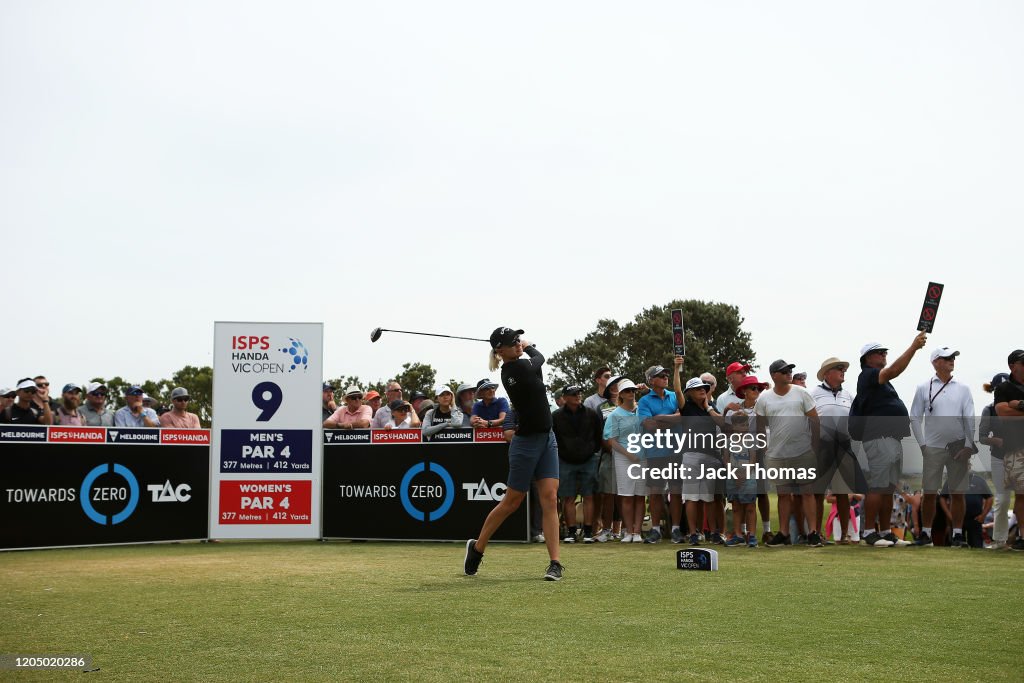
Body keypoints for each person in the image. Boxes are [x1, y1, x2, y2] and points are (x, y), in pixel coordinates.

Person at [465, 327, 563, 581]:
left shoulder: (523, 366)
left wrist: (526, 346)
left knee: (550, 498)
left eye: (518, 340)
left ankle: (555, 563)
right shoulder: (512, 371)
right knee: (512, 502)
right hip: (526, 443)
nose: (518, 344)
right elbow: (540, 359)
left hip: (547, 438)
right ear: (500, 351)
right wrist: (530, 347)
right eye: (512, 343)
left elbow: (537, 367)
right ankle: (477, 548)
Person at [851, 333, 927, 547]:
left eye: (885, 351)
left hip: (891, 438)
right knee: (878, 486)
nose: (884, 354)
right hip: (878, 437)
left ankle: (885, 532)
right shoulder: (867, 375)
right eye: (879, 352)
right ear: (867, 358)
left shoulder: (878, 379)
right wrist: (913, 347)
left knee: (888, 487)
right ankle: (867, 533)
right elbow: (893, 371)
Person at [909, 347, 976, 547]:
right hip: (933, 448)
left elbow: (969, 418)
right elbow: (914, 416)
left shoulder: (963, 388)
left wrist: (968, 446)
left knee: (958, 492)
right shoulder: (923, 387)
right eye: (947, 358)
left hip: (958, 448)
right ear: (935, 362)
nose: (951, 361)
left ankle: (957, 534)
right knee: (929, 492)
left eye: (952, 358)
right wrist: (922, 445)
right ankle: (926, 534)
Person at [756, 359, 822, 548]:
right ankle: (784, 533)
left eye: (789, 371)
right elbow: (760, 427)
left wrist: (814, 446)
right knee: (783, 494)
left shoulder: (802, 393)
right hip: (777, 455)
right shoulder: (764, 398)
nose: (788, 374)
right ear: (774, 375)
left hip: (803, 452)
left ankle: (813, 533)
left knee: (807, 492)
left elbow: (815, 421)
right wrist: (764, 449)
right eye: (784, 372)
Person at [809, 357, 859, 544]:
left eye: (843, 369)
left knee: (842, 491)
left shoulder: (848, 395)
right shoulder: (814, 393)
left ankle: (844, 534)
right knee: (818, 491)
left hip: (844, 445)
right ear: (828, 373)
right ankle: (816, 533)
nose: (843, 371)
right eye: (839, 369)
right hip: (822, 446)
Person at [551, 385, 603, 543]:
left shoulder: (591, 414)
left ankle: (588, 532)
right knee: (568, 497)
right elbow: (554, 438)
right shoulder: (556, 416)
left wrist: (592, 451)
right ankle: (571, 532)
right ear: (565, 397)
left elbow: (598, 435)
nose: (577, 396)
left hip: (588, 460)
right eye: (573, 394)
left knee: (588, 495)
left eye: (579, 393)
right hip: (565, 461)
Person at [723, 374, 768, 547]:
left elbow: (753, 458)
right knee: (735, 505)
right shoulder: (736, 410)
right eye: (753, 388)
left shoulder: (761, 409)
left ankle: (753, 534)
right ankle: (738, 534)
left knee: (751, 504)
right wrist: (734, 473)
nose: (757, 391)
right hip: (733, 475)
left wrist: (745, 472)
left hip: (749, 473)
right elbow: (726, 458)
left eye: (759, 388)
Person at [637, 363, 679, 543]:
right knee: (655, 491)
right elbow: (649, 426)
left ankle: (676, 529)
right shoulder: (645, 401)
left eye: (666, 375)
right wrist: (671, 420)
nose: (665, 377)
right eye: (661, 375)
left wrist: (660, 418)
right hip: (655, 452)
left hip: (676, 450)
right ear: (651, 380)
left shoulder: (675, 396)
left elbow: (682, 417)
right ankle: (655, 529)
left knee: (676, 491)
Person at [603, 378, 646, 543]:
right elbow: (611, 440)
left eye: (633, 391)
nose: (631, 393)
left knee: (640, 495)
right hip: (623, 457)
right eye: (627, 391)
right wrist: (629, 455)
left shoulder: (642, 410)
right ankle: (628, 531)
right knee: (627, 495)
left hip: (643, 457)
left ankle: (637, 531)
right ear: (620, 394)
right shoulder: (615, 414)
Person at [993, 349, 1024, 551]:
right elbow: (1003, 412)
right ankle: (1022, 537)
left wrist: (1019, 405)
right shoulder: (1003, 388)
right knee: (1021, 494)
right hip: (1016, 448)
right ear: (1012, 366)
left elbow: (1011, 409)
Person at [980, 372, 1010, 548]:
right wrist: (996, 440)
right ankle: (1000, 540)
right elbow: (982, 437)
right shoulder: (989, 410)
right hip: (998, 457)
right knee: (1003, 498)